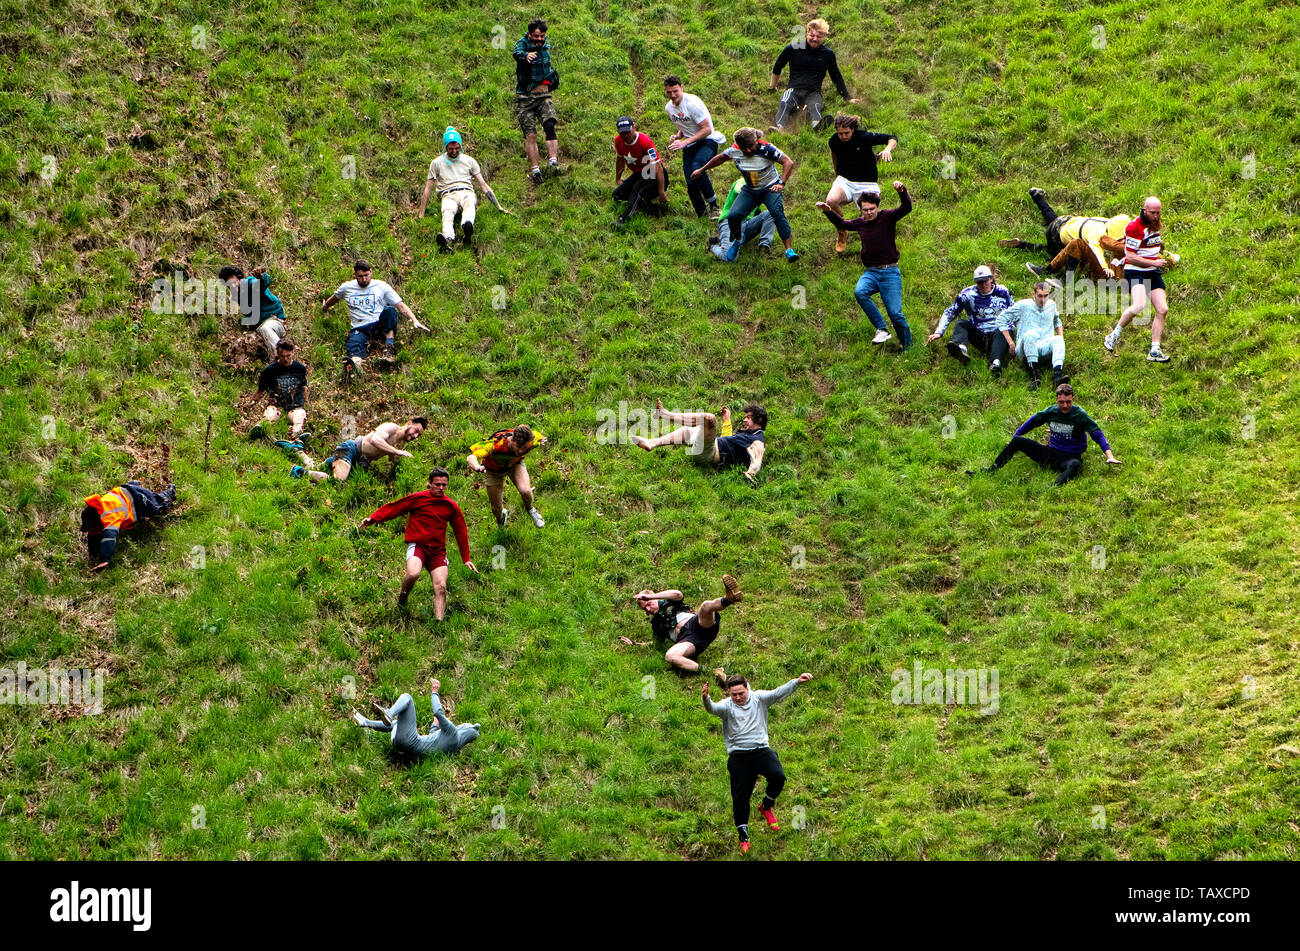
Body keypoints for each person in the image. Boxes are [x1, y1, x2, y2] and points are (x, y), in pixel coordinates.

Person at [703, 671, 814, 854]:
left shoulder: (759, 699)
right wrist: (706, 699)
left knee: (778, 776)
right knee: (740, 798)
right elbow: (712, 709)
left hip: (761, 750)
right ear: (729, 694)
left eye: (741, 693)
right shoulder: (726, 706)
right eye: (734, 695)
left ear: (747, 688)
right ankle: (744, 837)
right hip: (738, 756)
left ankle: (766, 806)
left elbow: (778, 693)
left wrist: (797, 682)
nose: (738, 697)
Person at [360, 467, 476, 619]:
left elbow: (461, 530)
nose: (441, 488)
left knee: (441, 586)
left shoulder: (451, 506)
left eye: (444, 485)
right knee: (413, 573)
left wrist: (466, 558)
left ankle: (438, 622)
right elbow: (395, 508)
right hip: (418, 546)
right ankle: (402, 598)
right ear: (429, 483)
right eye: (437, 484)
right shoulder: (418, 499)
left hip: (438, 551)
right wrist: (373, 518)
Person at [816, 181, 913, 348]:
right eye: (865, 210)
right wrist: (828, 211)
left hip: (890, 272)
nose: (869, 213)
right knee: (860, 292)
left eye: (871, 209)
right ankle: (882, 329)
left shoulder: (887, 217)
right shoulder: (860, 223)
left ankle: (908, 347)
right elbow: (842, 224)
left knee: (895, 314)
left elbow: (906, 208)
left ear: (877, 207)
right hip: (871, 273)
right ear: (860, 210)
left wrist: (902, 192)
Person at [970, 384, 1120, 486]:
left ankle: (1053, 487)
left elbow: (1097, 434)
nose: (1065, 406)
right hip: (1049, 453)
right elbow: (1031, 422)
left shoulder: (1080, 415)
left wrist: (1109, 456)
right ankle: (991, 470)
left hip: (1070, 457)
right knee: (1017, 441)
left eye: (1068, 402)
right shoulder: (1051, 411)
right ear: (1056, 400)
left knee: (1075, 465)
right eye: (1061, 402)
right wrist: (1014, 439)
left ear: (1073, 399)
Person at [693, 128, 798, 261]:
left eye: (750, 147)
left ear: (756, 141)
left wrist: (781, 183)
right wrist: (701, 170)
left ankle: (788, 250)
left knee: (777, 213)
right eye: (744, 148)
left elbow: (788, 162)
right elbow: (720, 158)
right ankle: (738, 240)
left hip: (769, 188)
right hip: (751, 189)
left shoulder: (767, 149)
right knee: (733, 216)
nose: (747, 151)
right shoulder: (734, 151)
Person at [321, 260, 429, 375]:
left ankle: (389, 348)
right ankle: (355, 368)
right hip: (359, 327)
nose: (364, 279)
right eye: (360, 276)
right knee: (354, 345)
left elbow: (400, 305)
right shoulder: (347, 288)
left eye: (366, 275)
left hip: (378, 324)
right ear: (355, 275)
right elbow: (335, 297)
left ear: (371, 272)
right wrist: (325, 306)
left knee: (390, 310)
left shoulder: (381, 286)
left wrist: (414, 320)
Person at [1105, 196, 1179, 363]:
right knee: (1139, 305)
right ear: (1145, 210)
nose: (1156, 216)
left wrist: (1164, 257)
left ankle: (1154, 350)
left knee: (1163, 309)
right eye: (1153, 212)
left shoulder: (1154, 224)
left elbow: (1150, 246)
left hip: (1152, 271)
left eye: (1158, 212)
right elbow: (1130, 257)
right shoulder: (1134, 228)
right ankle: (1113, 335)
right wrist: (1154, 261)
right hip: (1135, 271)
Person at [1001, 188, 1132, 282]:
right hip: (1057, 236)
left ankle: (1036, 195)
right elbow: (1096, 251)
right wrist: (1104, 267)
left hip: (1067, 220)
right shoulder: (1096, 234)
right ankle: (1022, 246)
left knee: (1052, 218)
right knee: (1054, 253)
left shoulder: (1107, 222)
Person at [623, 575, 743, 674]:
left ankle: (729, 598)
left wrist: (650, 596)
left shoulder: (669, 602)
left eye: (648, 604)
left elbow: (678, 594)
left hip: (698, 624)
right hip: (688, 640)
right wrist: (635, 644)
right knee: (670, 656)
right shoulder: (656, 624)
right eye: (645, 609)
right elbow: (656, 644)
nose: (648, 609)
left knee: (706, 606)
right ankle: (712, 672)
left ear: (654, 598)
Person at [417, 126, 508, 252]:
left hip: (466, 191)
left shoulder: (469, 161)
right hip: (448, 194)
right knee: (447, 211)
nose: (454, 151)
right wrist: (421, 213)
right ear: (445, 147)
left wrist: (499, 206)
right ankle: (448, 238)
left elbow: (483, 184)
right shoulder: (437, 163)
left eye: (457, 148)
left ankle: (467, 226)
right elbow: (428, 188)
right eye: (450, 149)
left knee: (469, 203)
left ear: (460, 146)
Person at [630, 401, 767, 484]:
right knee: (689, 431)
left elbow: (757, 458)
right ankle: (651, 443)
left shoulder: (757, 438)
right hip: (711, 448)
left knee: (709, 419)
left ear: (759, 420)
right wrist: (726, 421)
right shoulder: (748, 435)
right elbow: (728, 442)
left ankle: (665, 415)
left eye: (748, 418)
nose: (744, 420)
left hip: (711, 453)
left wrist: (750, 474)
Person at [353, 677, 480, 756]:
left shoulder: (453, 733)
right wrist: (436, 723)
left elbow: (438, 712)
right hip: (402, 749)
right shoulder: (453, 749)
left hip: (409, 742)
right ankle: (365, 722)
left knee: (407, 698)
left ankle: (389, 714)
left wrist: (435, 692)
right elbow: (432, 737)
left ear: (463, 729)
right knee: (398, 724)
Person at [825, 115, 897, 253]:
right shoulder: (834, 140)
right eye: (840, 133)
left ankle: (871, 246)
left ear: (853, 129)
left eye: (846, 133)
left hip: (867, 183)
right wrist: (837, 173)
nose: (843, 136)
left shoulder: (864, 137)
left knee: (867, 218)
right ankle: (842, 230)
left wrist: (887, 149)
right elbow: (834, 155)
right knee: (831, 201)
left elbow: (892, 138)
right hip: (845, 180)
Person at [769, 18, 855, 131]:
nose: (815, 39)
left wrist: (847, 98)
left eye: (819, 37)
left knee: (815, 106)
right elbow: (777, 67)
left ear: (824, 37)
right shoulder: (793, 49)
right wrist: (772, 87)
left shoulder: (828, 54)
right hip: (794, 89)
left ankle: (817, 125)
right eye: (812, 35)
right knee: (785, 102)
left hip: (814, 92)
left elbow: (836, 77)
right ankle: (779, 128)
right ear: (807, 33)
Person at [926, 265, 1015, 373]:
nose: (982, 285)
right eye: (979, 282)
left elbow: (1014, 312)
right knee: (961, 323)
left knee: (1002, 330)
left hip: (1001, 334)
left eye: (985, 281)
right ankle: (960, 348)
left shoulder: (1003, 291)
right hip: (980, 335)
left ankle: (995, 363)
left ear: (991, 279)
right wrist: (939, 332)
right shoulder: (968, 294)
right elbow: (950, 312)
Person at [663, 75, 725, 218]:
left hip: (707, 140)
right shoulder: (669, 108)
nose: (672, 95)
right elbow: (685, 123)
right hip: (691, 143)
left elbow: (707, 129)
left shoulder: (692, 103)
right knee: (691, 183)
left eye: (675, 91)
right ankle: (701, 216)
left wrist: (685, 142)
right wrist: (678, 135)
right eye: (669, 92)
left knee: (697, 168)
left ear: (682, 88)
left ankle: (714, 206)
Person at [80, 481, 177, 571]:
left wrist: (105, 559)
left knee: (156, 507)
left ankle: (170, 493)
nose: (92, 529)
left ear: (98, 519)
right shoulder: (96, 510)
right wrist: (92, 554)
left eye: (92, 526)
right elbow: (93, 535)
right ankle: (134, 484)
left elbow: (109, 538)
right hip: (123, 491)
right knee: (145, 505)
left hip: (137, 498)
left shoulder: (109, 516)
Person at [293, 418, 427, 483]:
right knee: (338, 480)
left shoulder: (397, 441)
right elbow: (375, 440)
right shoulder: (391, 427)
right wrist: (397, 452)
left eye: (419, 435)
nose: (415, 436)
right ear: (409, 423)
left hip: (359, 460)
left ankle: (296, 449)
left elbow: (390, 458)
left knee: (317, 467)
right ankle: (299, 472)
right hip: (350, 449)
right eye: (416, 431)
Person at [466, 424, 547, 527]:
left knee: (526, 491)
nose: (521, 451)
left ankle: (531, 509)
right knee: (496, 508)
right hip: (493, 471)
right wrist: (477, 466)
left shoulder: (531, 440)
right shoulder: (496, 444)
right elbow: (471, 458)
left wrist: (540, 440)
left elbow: (537, 437)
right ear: (512, 440)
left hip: (514, 465)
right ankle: (501, 519)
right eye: (518, 447)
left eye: (525, 447)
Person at [512, 19, 561, 184]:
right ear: (529, 34)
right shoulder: (523, 44)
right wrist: (525, 55)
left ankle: (554, 162)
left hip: (543, 96)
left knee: (549, 126)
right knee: (530, 135)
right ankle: (535, 170)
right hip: (525, 98)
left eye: (542, 36)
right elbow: (516, 52)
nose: (539, 39)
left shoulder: (544, 44)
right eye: (536, 36)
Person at [246, 340, 311, 453]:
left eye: (288, 356)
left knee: (299, 417)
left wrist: (307, 404)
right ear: (277, 354)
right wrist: (250, 404)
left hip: (294, 406)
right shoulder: (269, 371)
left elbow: (304, 387)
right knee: (270, 415)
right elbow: (260, 391)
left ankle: (296, 437)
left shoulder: (300, 368)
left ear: (293, 353)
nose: (285, 359)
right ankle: (260, 430)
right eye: (282, 356)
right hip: (276, 405)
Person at [1002, 281, 1069, 390]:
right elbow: (1001, 319)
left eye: (1046, 296)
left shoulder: (1051, 305)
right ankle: (1034, 377)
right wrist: (1010, 343)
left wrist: (1061, 337)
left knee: (1058, 339)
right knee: (1030, 334)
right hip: (1025, 349)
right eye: (1040, 296)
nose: (1043, 300)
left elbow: (1057, 321)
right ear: (1034, 294)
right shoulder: (1023, 305)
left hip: (1045, 347)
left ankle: (1057, 377)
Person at [612, 117, 668, 226]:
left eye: (627, 132)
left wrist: (661, 192)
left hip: (652, 173)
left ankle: (624, 219)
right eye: (622, 133)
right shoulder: (618, 141)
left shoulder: (645, 141)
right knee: (617, 195)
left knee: (636, 191)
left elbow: (658, 167)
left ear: (634, 128)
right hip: (639, 173)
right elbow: (620, 159)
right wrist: (618, 177)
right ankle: (648, 207)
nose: (625, 136)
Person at [220, 265, 286, 355]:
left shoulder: (249, 283)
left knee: (265, 329)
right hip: (261, 327)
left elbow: (264, 283)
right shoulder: (238, 297)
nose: (232, 285)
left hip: (274, 320)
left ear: (239, 278)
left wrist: (262, 277)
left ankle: (283, 357)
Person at [707, 179, 775, 260]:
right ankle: (712, 245)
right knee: (729, 258)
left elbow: (758, 212)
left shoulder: (760, 189)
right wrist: (744, 191)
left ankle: (764, 247)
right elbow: (738, 188)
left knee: (772, 212)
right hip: (729, 223)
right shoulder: (742, 182)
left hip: (746, 225)